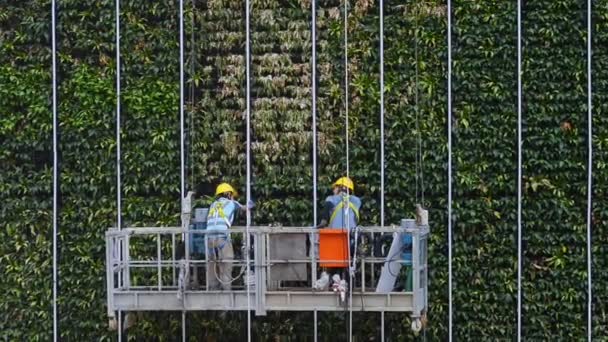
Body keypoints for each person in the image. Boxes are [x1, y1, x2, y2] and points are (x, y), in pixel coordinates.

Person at [314, 176, 362, 292]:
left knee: (330, 256)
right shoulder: (356, 201)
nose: (333, 190)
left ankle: (328, 277)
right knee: (347, 260)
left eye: (335, 187)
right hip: (351, 241)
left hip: (334, 240)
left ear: (340, 187)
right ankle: (341, 280)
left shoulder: (332, 198)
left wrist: (323, 222)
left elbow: (327, 209)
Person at [206, 182, 253, 290]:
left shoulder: (213, 205)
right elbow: (246, 208)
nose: (232, 196)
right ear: (227, 194)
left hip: (209, 239)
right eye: (231, 194)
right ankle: (226, 291)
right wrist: (251, 204)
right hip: (223, 238)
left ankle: (212, 290)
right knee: (226, 264)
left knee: (212, 265)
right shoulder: (232, 203)